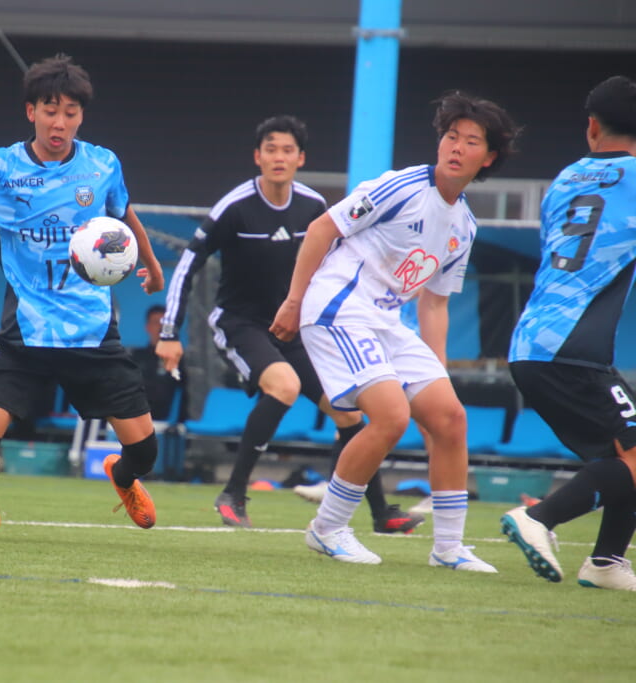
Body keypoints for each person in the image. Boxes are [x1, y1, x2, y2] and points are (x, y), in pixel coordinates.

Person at [0, 54, 165, 538]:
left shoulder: (102, 164)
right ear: (31, 112)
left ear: (81, 116)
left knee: (145, 452)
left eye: (70, 112)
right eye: (51, 111)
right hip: (25, 335)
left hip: (93, 333)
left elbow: (124, 215)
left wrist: (152, 266)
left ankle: (122, 476)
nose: (60, 123)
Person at [270, 92, 520, 569]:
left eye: (471, 142)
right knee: (391, 416)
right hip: (339, 307)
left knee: (450, 418)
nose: (457, 147)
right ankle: (327, 528)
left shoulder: (464, 226)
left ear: (488, 158)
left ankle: (448, 548)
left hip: (385, 321)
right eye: (451, 136)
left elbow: (436, 301)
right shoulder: (401, 186)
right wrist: (294, 300)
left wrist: (436, 376)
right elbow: (323, 229)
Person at [157, 115, 422, 533]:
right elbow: (189, 264)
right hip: (241, 324)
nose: (278, 157)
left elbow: (346, 260)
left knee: (349, 413)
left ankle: (380, 513)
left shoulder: (314, 207)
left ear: (301, 159)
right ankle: (233, 494)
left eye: (287, 150)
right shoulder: (235, 207)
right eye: (271, 150)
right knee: (284, 386)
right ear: (257, 157)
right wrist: (169, 332)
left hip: (295, 328)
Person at [500, 75, 636, 591]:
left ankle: (606, 564)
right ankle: (540, 517)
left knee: (622, 456)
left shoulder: (564, 180)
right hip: (574, 349)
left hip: (533, 341)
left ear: (592, 127)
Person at [129, 305, 185, 422]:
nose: (160, 327)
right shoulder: (136, 357)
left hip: (162, 417)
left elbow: (183, 394)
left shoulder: (175, 358)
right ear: (148, 327)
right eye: (156, 323)